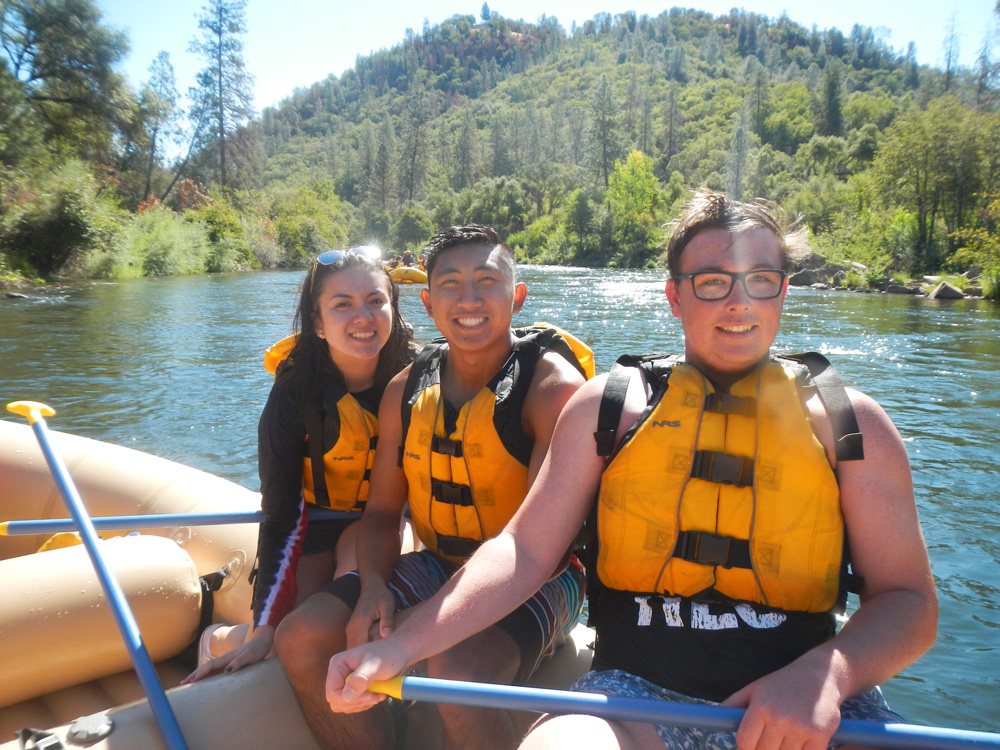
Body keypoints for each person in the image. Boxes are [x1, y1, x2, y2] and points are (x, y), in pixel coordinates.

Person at [326, 193, 939, 750]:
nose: (737, 302)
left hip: (812, 699)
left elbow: (909, 602)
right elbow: (523, 550)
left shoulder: (850, 423)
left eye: (760, 280)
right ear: (674, 295)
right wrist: (398, 648)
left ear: (783, 290)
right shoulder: (608, 409)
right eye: (711, 282)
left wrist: (823, 676)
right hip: (633, 696)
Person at [274, 224, 591, 750]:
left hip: (540, 575)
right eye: (449, 283)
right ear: (426, 299)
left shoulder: (552, 389)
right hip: (436, 561)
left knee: (455, 669)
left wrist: (417, 623)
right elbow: (380, 516)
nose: (468, 299)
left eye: (486, 281)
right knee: (302, 637)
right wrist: (374, 587)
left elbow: (544, 550)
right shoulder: (408, 388)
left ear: (517, 295)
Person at [182, 247, 415, 683]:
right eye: (342, 305)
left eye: (375, 301)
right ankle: (219, 639)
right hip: (314, 523)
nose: (363, 316)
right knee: (284, 639)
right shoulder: (295, 396)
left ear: (393, 310)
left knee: (340, 620)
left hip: (385, 522)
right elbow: (281, 515)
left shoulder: (421, 379)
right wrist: (263, 627)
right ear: (317, 324)